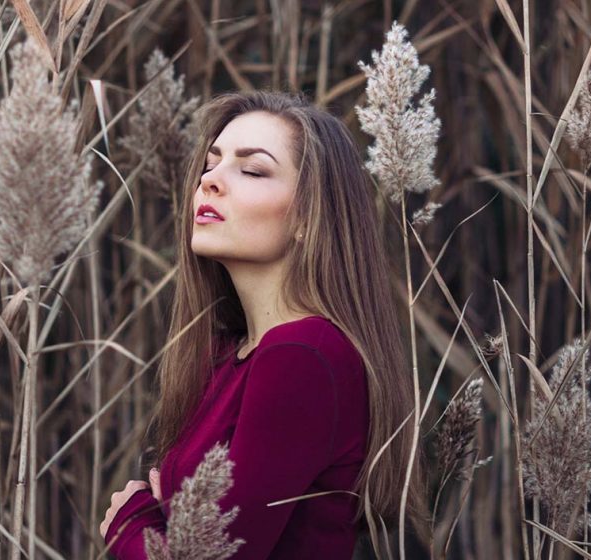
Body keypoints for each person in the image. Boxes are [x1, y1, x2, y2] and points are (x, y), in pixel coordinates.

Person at [99, 90, 431, 558]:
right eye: (210, 164)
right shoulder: (227, 356)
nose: (211, 181)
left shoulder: (304, 354)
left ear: (306, 216)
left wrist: (130, 520)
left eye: (252, 169)